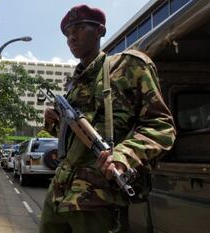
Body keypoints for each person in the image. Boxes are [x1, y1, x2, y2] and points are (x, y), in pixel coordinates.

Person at [39, 4, 176, 233]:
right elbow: (73, 141)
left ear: (100, 30)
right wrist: (54, 122)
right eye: (67, 32)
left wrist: (124, 155)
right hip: (59, 193)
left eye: (80, 28)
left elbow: (161, 126)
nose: (72, 36)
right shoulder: (73, 84)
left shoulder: (129, 66)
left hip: (99, 198)